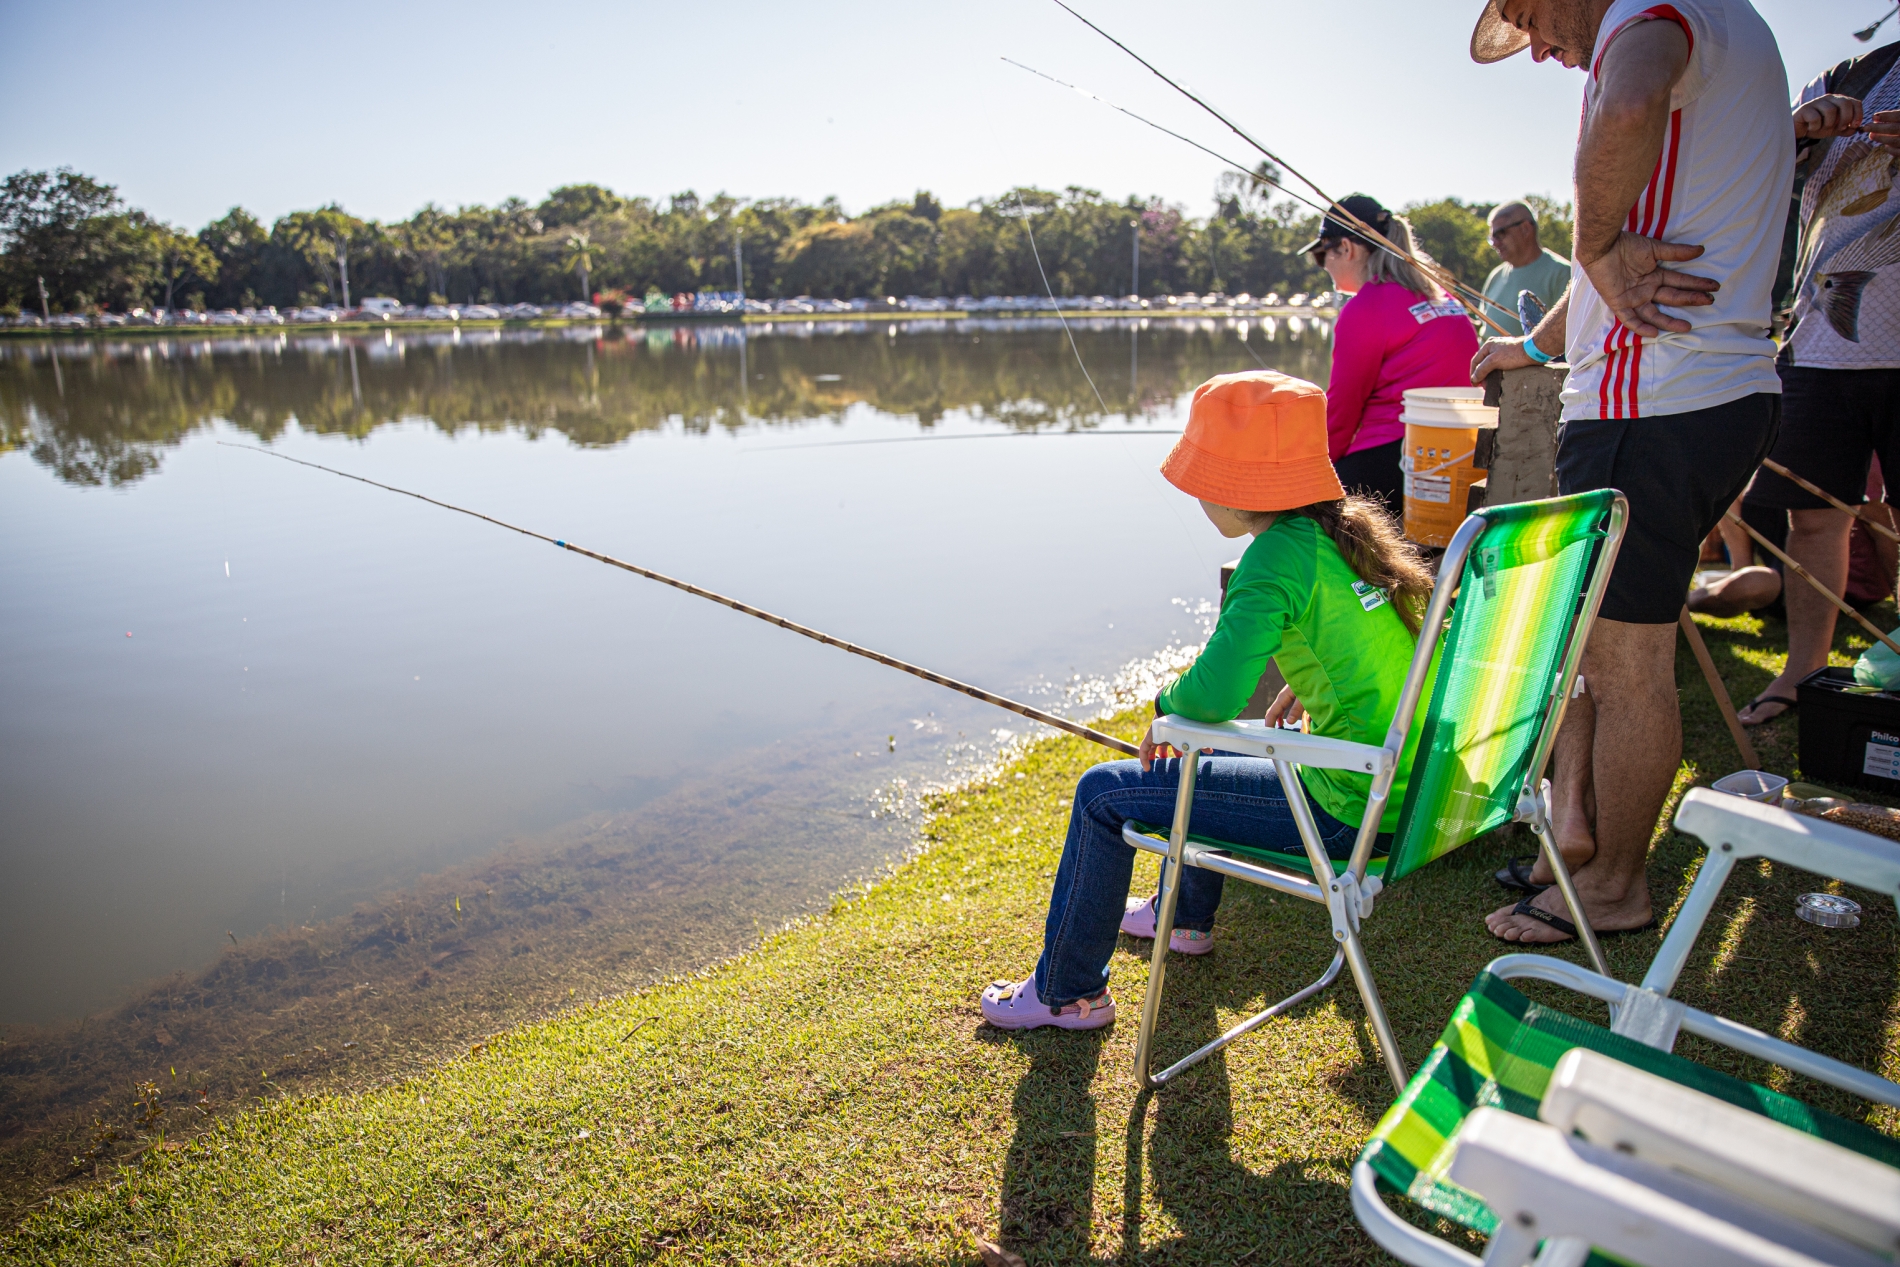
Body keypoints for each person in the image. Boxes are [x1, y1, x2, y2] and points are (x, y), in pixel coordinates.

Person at [1465, 0, 1791, 945]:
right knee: (1596, 652)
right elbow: (1599, 275)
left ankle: (1613, 884)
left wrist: (1601, 249)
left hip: (1656, 410)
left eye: (1528, 14)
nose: (1536, 48)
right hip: (1681, 402)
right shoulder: (1722, 22)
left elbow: (1628, 100)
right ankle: (1576, 843)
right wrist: (1533, 342)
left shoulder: (1645, 15)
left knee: (1623, 664)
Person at [980, 370, 1434, 1030]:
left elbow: (1215, 694)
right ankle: (1182, 918)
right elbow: (1372, 658)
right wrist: (1301, 695)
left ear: (1232, 487)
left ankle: (1067, 992)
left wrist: (1165, 701)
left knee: (1103, 793)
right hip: (1410, 791)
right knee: (1204, 750)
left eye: (1199, 478)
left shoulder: (1274, 558)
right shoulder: (1344, 534)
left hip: (1350, 809)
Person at [1730, 45, 1900, 725]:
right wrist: (1798, 128)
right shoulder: (1845, 76)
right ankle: (1803, 673)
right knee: (1811, 518)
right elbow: (1753, 173)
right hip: (1822, 336)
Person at [1298, 194, 1481, 521]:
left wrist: (1310, 472)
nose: (1323, 265)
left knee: (1295, 514)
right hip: (1462, 455)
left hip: (1401, 461)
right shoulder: (1444, 299)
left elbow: (1342, 411)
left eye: (1321, 255)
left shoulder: (1366, 307)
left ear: (1346, 248)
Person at [1477, 201, 1573, 336]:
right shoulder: (1495, 276)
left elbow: (1568, 335)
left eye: (1501, 234)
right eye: (1492, 237)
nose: (1495, 243)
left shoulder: (1563, 273)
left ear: (1526, 229)